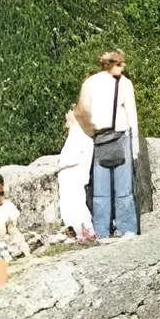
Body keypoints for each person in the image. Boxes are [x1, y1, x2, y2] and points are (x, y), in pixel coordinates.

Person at [80, 50, 141, 238]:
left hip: (99, 137)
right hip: (121, 136)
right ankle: (127, 228)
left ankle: (102, 231)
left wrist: (90, 132)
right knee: (124, 188)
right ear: (110, 64)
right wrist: (135, 146)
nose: (123, 67)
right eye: (120, 64)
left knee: (100, 189)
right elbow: (132, 116)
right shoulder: (125, 84)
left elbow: (81, 112)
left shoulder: (89, 83)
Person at [54, 99, 95, 241]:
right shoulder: (75, 134)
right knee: (69, 205)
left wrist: (60, 164)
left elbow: (74, 157)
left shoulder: (81, 135)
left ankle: (85, 230)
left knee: (76, 204)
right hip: (69, 177)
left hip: (75, 176)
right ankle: (78, 231)